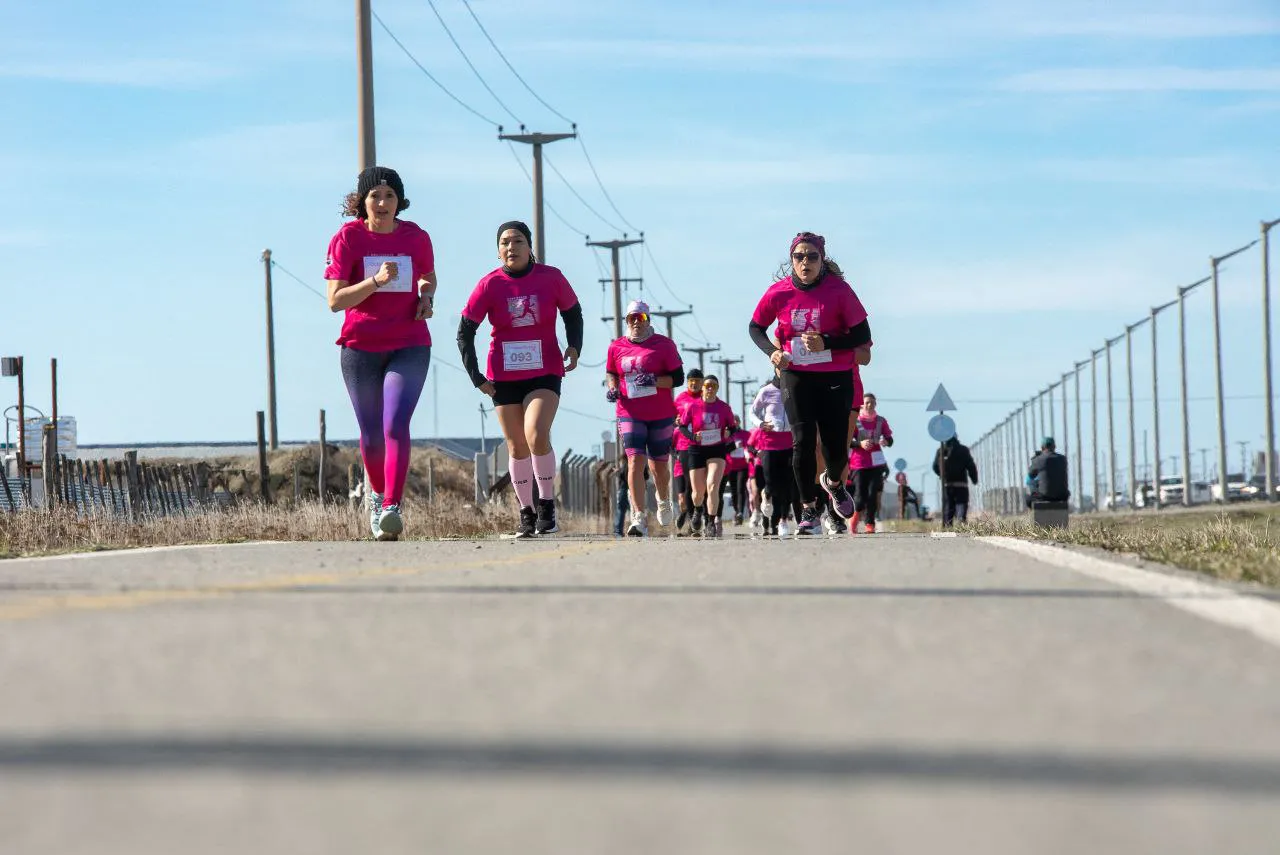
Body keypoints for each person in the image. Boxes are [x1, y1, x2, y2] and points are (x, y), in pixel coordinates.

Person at [325, 166, 436, 541]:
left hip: (409, 344)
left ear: (399, 201)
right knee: (372, 435)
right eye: (375, 196)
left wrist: (425, 296)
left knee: (395, 425)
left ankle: (391, 506)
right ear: (363, 201)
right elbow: (335, 301)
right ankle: (376, 497)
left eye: (390, 195)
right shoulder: (348, 238)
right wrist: (375, 281)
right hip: (361, 348)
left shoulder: (415, 237)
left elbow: (427, 276)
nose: (383, 202)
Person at [458, 221, 583, 539]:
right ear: (498, 251)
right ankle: (526, 513)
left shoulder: (551, 277)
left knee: (536, 434)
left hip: (545, 371)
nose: (510, 247)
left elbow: (573, 313)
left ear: (529, 247)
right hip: (504, 375)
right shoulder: (489, 285)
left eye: (517, 241)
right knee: (516, 446)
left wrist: (574, 346)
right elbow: (465, 332)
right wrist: (476, 377)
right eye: (504, 242)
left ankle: (547, 507)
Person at [749, 232, 871, 535]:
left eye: (812, 256)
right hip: (796, 375)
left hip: (835, 375)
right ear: (791, 260)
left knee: (835, 447)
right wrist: (773, 352)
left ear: (822, 259)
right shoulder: (778, 292)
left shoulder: (839, 290)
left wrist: (826, 342)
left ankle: (834, 483)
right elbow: (755, 328)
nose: (806, 262)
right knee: (802, 442)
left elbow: (862, 334)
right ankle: (808, 510)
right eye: (799, 256)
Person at [606, 300, 684, 537]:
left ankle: (663, 499)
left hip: (660, 414)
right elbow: (611, 372)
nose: (636, 323)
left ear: (648, 320)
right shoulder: (616, 347)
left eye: (640, 318)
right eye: (632, 318)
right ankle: (638, 517)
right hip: (629, 413)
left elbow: (678, 378)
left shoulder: (664, 345)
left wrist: (653, 380)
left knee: (658, 467)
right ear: (626, 321)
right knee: (634, 461)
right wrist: (612, 388)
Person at [677, 374, 736, 537]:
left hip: (717, 449)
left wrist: (728, 432)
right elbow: (682, 427)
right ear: (702, 388)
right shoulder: (693, 406)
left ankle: (710, 522)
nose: (710, 388)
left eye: (713, 386)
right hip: (697, 449)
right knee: (697, 491)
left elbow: (733, 427)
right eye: (707, 385)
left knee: (712, 486)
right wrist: (692, 436)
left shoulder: (724, 407)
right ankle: (697, 510)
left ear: (717, 389)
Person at [749, 372, 797, 537]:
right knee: (771, 483)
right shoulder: (766, 391)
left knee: (786, 485)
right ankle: (766, 494)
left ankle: (782, 520)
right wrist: (761, 423)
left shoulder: (794, 388)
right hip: (769, 443)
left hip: (789, 442)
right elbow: (752, 412)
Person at [847, 393, 893, 534]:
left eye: (872, 402)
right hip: (858, 464)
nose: (869, 405)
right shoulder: (855, 421)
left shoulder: (880, 421)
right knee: (860, 496)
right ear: (862, 405)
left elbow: (890, 439)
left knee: (873, 494)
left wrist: (886, 441)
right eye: (867, 402)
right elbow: (848, 442)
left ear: (875, 404)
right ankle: (854, 519)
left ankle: (869, 523)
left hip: (876, 464)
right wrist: (860, 444)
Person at [671, 369, 705, 532]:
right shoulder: (680, 399)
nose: (694, 384)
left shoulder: (707, 397)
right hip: (685, 446)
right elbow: (671, 418)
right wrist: (675, 421)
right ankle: (692, 518)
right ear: (688, 382)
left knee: (703, 484)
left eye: (697, 381)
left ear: (702, 382)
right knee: (689, 484)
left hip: (705, 445)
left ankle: (702, 515)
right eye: (692, 381)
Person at [932, 434, 979, 527]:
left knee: (948, 507)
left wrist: (942, 476)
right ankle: (961, 525)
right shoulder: (963, 450)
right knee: (961, 505)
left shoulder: (941, 451)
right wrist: (974, 479)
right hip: (961, 484)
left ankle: (947, 526)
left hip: (947, 485)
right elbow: (971, 466)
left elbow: (935, 467)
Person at [1027, 436, 1070, 507]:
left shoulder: (1038, 459)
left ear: (1042, 447)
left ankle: (1037, 512)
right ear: (1054, 447)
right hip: (1062, 497)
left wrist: (1034, 460)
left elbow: (1030, 476)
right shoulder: (1063, 458)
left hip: (1044, 497)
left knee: (1028, 498)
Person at [724, 422, 751, 525]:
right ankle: (737, 511)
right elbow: (724, 449)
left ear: (739, 422)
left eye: (735, 422)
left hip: (743, 466)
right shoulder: (726, 435)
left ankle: (740, 512)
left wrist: (747, 451)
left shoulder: (746, 434)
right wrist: (735, 446)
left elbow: (750, 446)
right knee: (734, 490)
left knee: (740, 488)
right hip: (730, 466)